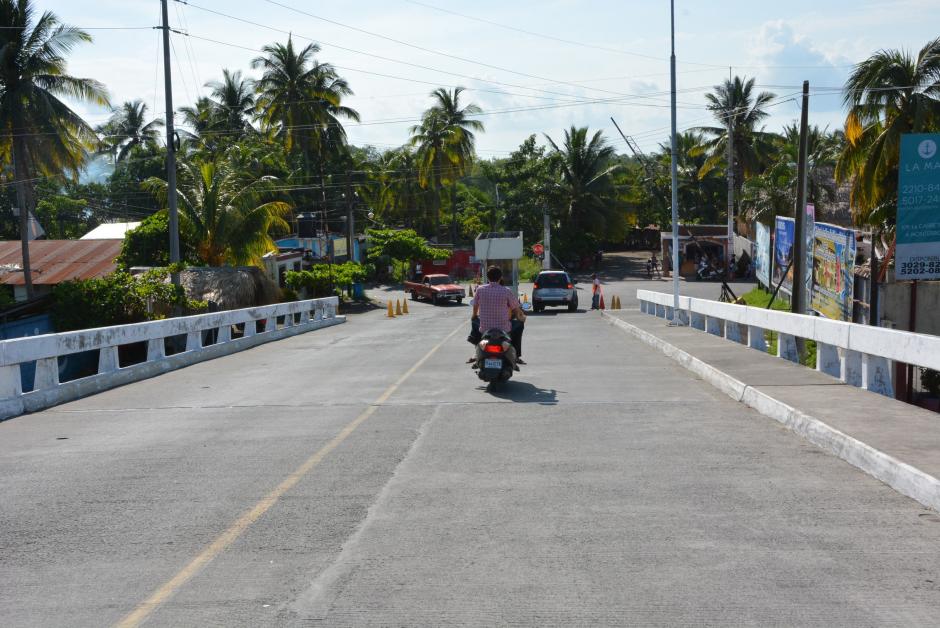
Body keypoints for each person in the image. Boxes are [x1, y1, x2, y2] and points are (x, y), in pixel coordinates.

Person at [469, 266, 527, 365]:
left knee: (474, 321)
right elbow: (516, 310)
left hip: (485, 329)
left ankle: (476, 352)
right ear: (500, 278)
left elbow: (475, 307)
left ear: (487, 278)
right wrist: (521, 318)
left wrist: (474, 316)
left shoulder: (480, 289)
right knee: (519, 325)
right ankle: (516, 355)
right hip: (503, 329)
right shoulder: (506, 291)